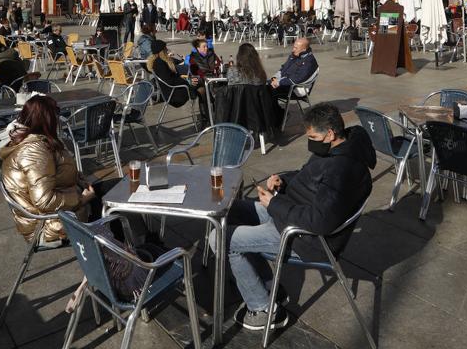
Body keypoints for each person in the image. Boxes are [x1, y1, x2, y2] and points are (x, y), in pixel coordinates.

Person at [223, 102, 376, 331]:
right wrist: (283, 180)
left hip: (305, 238)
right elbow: (308, 177)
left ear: (331, 134)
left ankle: (263, 308)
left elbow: (319, 221)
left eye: (313, 136)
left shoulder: (342, 170)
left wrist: (274, 204)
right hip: (289, 212)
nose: (310, 141)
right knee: (231, 210)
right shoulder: (334, 150)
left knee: (223, 240)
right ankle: (269, 288)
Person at [0, 95, 106, 245]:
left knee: (114, 191)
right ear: (48, 120)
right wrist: (81, 198)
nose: (58, 120)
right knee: (114, 208)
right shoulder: (34, 151)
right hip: (48, 225)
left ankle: (132, 253)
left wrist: (79, 179)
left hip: (59, 211)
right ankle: (122, 259)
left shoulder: (36, 141)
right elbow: (44, 201)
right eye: (56, 115)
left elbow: (57, 173)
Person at [147, 40, 200, 108]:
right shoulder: (160, 63)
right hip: (174, 95)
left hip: (172, 91)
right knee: (201, 86)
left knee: (199, 83)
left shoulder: (158, 61)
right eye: (165, 48)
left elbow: (171, 78)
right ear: (161, 50)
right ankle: (207, 114)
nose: (167, 50)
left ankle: (206, 114)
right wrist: (187, 81)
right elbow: (170, 81)